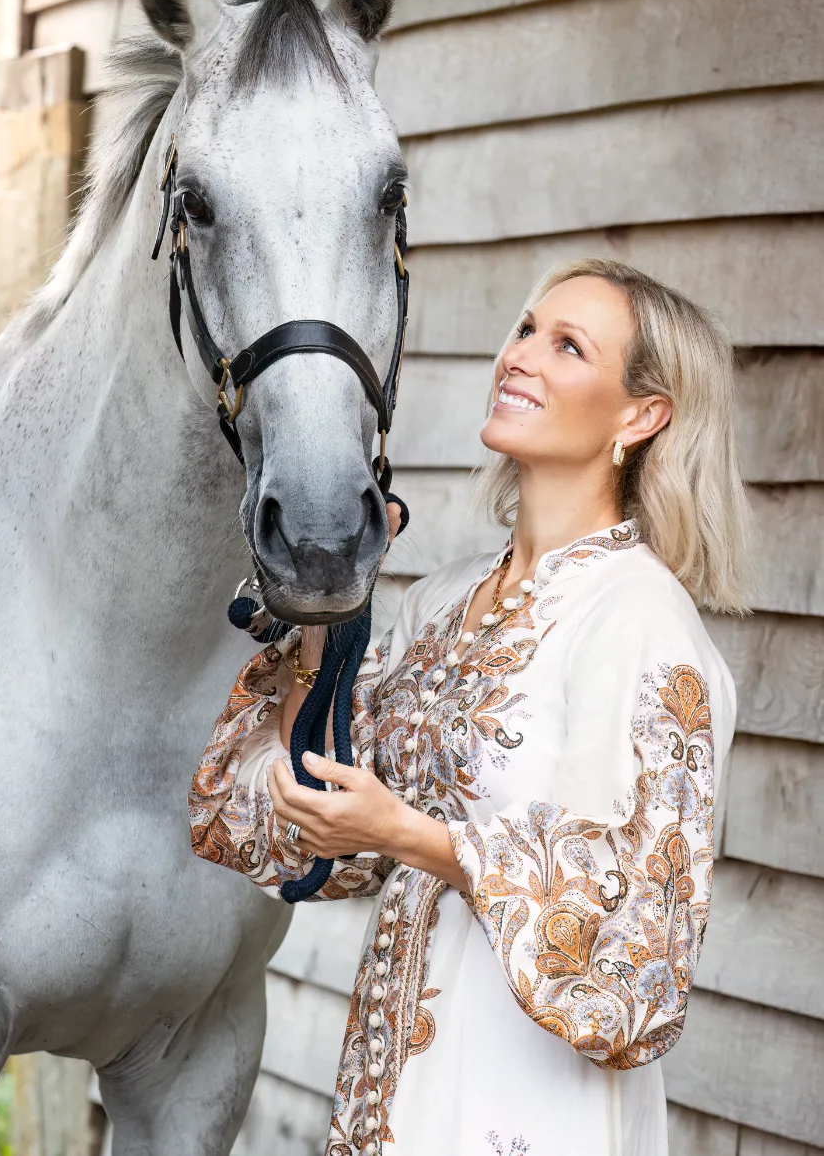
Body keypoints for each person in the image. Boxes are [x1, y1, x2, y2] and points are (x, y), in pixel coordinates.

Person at [188, 258, 750, 1156]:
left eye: (567, 346)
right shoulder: (442, 600)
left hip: (526, 1091)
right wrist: (328, 613)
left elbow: (636, 933)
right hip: (398, 1068)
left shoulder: (639, 620)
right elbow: (315, 805)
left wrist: (414, 837)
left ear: (641, 417)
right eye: (526, 329)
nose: (519, 357)